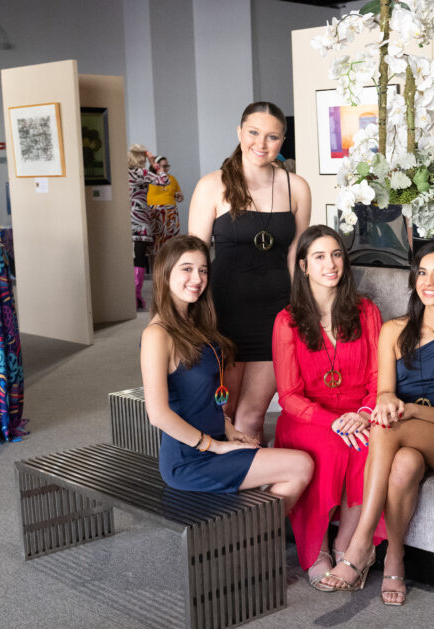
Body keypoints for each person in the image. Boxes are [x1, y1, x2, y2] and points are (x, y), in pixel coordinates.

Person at [319, 242, 434, 605]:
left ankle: (361, 544)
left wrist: (406, 410)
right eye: (421, 273)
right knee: (405, 464)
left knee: (385, 426)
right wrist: (388, 402)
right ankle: (395, 559)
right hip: (404, 430)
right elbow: (384, 393)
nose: (428, 281)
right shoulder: (395, 330)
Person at [140, 235, 313, 505]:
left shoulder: (197, 324)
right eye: (186, 269)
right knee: (299, 465)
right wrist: (215, 445)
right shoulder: (157, 334)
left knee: (290, 462)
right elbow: (158, 415)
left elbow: (202, 399)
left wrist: (229, 429)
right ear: (164, 273)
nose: (196, 279)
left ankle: (254, 534)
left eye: (202, 270)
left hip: (216, 440)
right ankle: (257, 537)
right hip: (189, 459)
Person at [272, 225, 386, 590]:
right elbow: (288, 396)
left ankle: (349, 544)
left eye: (336, 254)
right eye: (319, 257)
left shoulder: (367, 311)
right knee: (332, 446)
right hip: (308, 418)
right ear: (303, 266)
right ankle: (315, 550)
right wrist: (333, 422)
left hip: (357, 413)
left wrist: (364, 414)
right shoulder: (287, 320)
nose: (331, 264)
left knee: (369, 444)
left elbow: (378, 379)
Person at [189, 102, 311, 443]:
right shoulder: (212, 186)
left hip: (276, 316)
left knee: (252, 416)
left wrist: (303, 310)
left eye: (272, 136)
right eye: (254, 133)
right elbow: (195, 259)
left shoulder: (297, 187)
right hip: (222, 315)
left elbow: (296, 258)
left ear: (282, 140)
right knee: (221, 415)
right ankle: (224, 489)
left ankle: (254, 495)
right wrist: (188, 317)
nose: (261, 143)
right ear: (240, 133)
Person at [129, 144, 169, 309]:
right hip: (140, 222)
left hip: (127, 220)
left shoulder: (125, 173)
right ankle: (136, 297)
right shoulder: (140, 172)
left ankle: (132, 295)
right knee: (139, 258)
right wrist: (154, 164)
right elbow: (164, 180)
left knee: (131, 259)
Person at [147, 155, 184, 256]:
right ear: (156, 166)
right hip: (156, 213)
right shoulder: (149, 178)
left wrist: (179, 196)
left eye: (168, 166)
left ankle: (169, 263)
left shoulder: (172, 179)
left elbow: (180, 197)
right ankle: (156, 265)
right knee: (157, 239)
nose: (167, 168)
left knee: (171, 240)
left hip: (171, 213)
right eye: (164, 166)